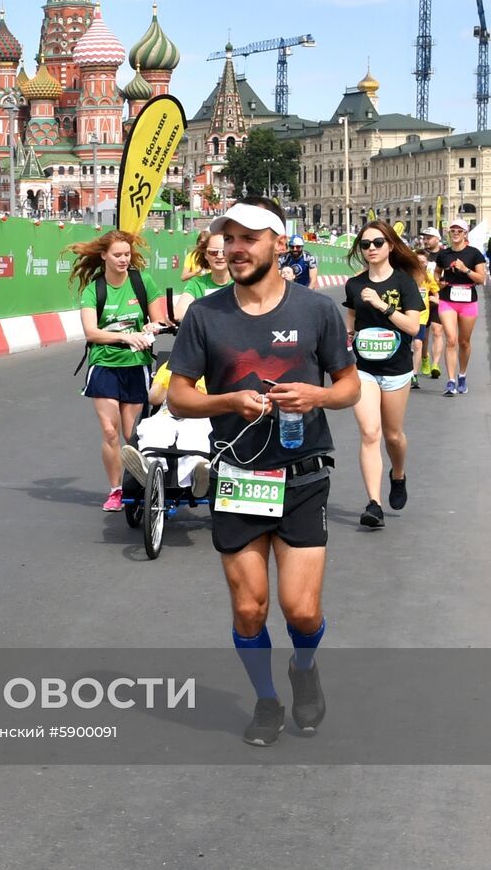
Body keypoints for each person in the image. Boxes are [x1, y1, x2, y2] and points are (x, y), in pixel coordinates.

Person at [167, 196, 359, 747]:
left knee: (301, 612)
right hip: (239, 476)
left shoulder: (315, 310)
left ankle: (303, 667)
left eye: (248, 237)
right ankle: (266, 700)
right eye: (228, 238)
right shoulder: (205, 314)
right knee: (250, 610)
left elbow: (349, 386)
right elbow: (179, 397)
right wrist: (228, 402)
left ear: (279, 243)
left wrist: (317, 394)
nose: (234, 248)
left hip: (302, 474)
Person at [70, 230, 170, 511]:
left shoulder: (142, 282)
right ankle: (115, 490)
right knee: (110, 431)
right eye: (117, 255)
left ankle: (143, 483)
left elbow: (159, 319)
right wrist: (126, 337)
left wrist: (154, 326)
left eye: (127, 254)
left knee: (131, 433)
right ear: (104, 256)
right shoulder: (95, 289)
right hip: (104, 365)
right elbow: (91, 332)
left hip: (136, 366)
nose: (124, 259)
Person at [342, 222, 424, 529]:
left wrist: (382, 306)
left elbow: (414, 328)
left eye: (378, 242)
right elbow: (351, 319)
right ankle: (374, 504)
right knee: (370, 433)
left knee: (392, 435)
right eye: (365, 244)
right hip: (363, 369)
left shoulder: (405, 284)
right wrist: (345, 337)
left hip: (396, 370)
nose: (371, 248)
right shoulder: (353, 285)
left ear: (390, 245)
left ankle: (398, 473)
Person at [119, 361, 212, 497]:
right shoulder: (170, 366)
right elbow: (153, 398)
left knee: (198, 432)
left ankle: (198, 476)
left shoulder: (212, 367)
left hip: (198, 412)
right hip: (167, 410)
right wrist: (171, 389)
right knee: (152, 428)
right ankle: (148, 470)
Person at [434, 219, 488, 396]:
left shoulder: (475, 254)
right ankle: (450, 381)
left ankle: (462, 375)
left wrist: (465, 270)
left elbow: (481, 279)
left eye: (459, 230)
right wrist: (439, 282)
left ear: (465, 233)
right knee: (450, 339)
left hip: (468, 301)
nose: (455, 233)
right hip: (447, 299)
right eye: (453, 230)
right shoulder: (444, 254)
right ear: (449, 233)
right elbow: (437, 272)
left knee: (464, 342)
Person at [173, 231, 232, 321]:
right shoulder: (196, 283)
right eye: (213, 252)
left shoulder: (243, 283)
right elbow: (180, 311)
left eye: (224, 252)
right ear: (205, 255)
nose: (220, 256)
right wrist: (173, 317)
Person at [408, 244, 439, 390]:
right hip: (406, 316)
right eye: (418, 261)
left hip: (421, 316)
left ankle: (414, 374)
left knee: (418, 344)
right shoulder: (406, 277)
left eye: (423, 261)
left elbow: (436, 291)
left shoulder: (428, 277)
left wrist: (436, 299)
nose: (421, 264)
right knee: (405, 345)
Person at [417, 228, 446, 380]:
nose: (425, 240)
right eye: (424, 238)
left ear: (437, 239)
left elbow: (447, 277)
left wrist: (439, 291)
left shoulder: (444, 255)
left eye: (429, 238)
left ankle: (435, 364)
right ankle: (424, 358)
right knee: (423, 335)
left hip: (438, 297)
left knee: (437, 330)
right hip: (422, 301)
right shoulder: (418, 255)